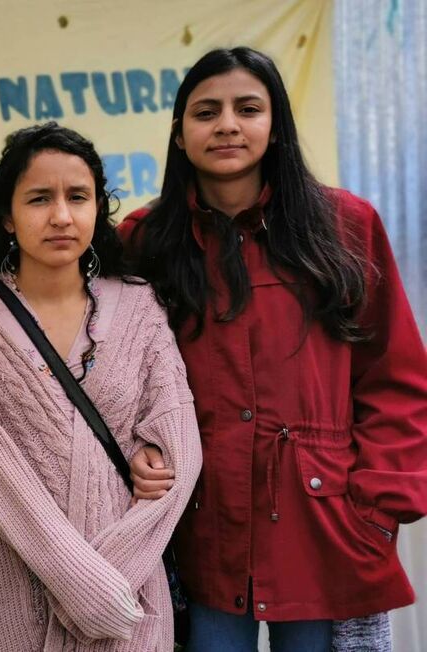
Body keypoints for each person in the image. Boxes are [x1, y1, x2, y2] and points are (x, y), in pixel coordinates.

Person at [118, 47, 427, 651]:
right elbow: (115, 378)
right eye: (206, 111)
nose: (227, 124)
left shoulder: (345, 225)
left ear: (275, 125)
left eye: (248, 108)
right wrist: (137, 449)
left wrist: (378, 505)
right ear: (180, 135)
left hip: (324, 526)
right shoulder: (145, 242)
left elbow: (394, 374)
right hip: (198, 530)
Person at [0, 122, 202, 650]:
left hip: (129, 610)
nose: (61, 215)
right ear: (7, 216)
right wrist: (83, 584)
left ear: (98, 208)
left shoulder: (139, 307)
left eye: (78, 197)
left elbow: (181, 452)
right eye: (38, 199)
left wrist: (113, 582)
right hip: (8, 612)